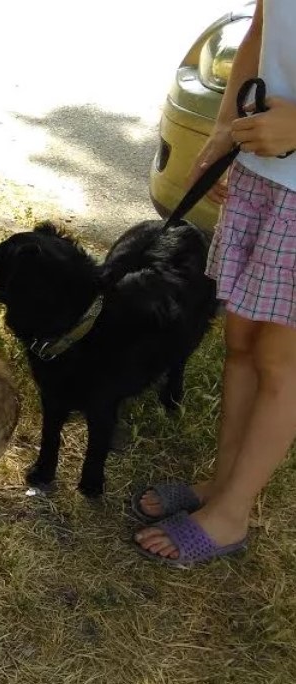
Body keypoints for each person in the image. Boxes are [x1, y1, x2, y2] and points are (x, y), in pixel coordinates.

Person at [133, 0, 296, 566]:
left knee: (282, 360)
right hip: (262, 171)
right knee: (242, 346)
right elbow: (262, 24)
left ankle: (232, 516)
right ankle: (223, 487)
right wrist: (227, 125)